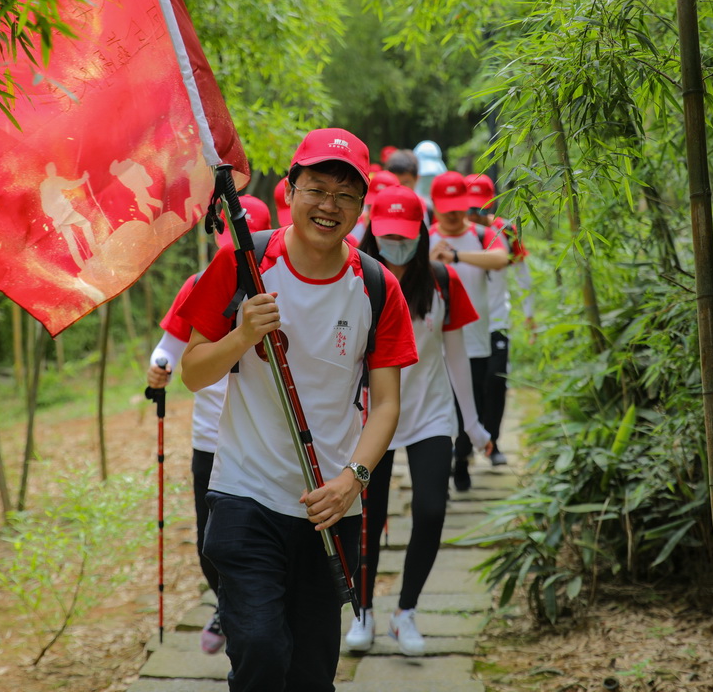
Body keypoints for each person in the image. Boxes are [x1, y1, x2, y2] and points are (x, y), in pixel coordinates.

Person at [174, 128, 418, 692]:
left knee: (311, 672)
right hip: (244, 496)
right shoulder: (246, 262)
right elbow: (193, 372)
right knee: (259, 646)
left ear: (362, 207)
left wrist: (353, 480)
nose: (328, 205)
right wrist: (240, 338)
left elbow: (386, 404)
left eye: (344, 195)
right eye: (316, 188)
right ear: (290, 189)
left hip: (327, 508)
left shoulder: (376, 286)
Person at [345, 185, 493, 656]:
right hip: (371, 420)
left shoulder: (442, 282)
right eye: (387, 236)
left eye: (405, 236)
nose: (397, 245)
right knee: (369, 516)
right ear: (372, 235)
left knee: (431, 509)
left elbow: (457, 358)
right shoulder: (353, 281)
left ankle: (405, 611)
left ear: (421, 235)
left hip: (429, 415)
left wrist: (473, 424)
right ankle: (363, 610)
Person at [145, 195, 272, 654]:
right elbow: (168, 348)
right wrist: (158, 367)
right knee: (208, 545)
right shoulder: (199, 284)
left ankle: (250, 616)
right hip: (210, 439)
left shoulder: (279, 284)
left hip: (264, 435)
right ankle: (228, 604)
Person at [428, 171, 508, 491]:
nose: (452, 212)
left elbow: (501, 258)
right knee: (440, 407)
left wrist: (457, 256)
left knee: (468, 406)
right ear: (434, 205)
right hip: (433, 342)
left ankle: (460, 461)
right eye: (445, 206)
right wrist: (430, 260)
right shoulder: (426, 236)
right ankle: (439, 472)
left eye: (457, 205)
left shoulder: (481, 234)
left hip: (473, 340)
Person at [465, 173, 534, 466]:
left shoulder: (504, 231)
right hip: (466, 324)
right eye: (471, 209)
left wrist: (530, 316)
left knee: (496, 381)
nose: (477, 216)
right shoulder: (458, 233)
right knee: (470, 382)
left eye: (482, 209)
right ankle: (467, 442)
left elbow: (523, 274)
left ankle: (493, 441)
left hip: (497, 321)